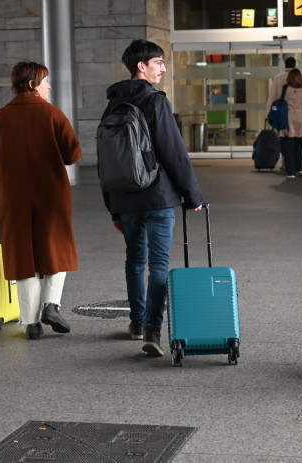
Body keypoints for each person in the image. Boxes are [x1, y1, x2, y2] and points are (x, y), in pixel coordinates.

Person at [102, 39, 203, 357]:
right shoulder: (156, 101)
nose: (162, 67)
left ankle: (137, 322)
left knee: (134, 260)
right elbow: (174, 153)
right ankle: (152, 330)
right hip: (157, 196)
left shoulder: (113, 103)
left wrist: (113, 208)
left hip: (125, 198)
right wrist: (192, 194)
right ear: (141, 67)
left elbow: (107, 158)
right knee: (158, 263)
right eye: (158, 62)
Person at [0, 61, 82, 340]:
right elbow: (72, 154)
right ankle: (51, 305)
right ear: (32, 83)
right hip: (52, 194)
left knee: (23, 254)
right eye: (45, 81)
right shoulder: (53, 114)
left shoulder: (1, 117)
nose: (49, 86)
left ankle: (31, 323)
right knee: (55, 247)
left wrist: (6, 172)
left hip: (14, 197)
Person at [279, 68, 302, 178]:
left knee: (288, 145)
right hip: (301, 117)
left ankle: (291, 172)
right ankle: (300, 168)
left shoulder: (285, 89)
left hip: (288, 117)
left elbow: (279, 102)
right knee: (299, 144)